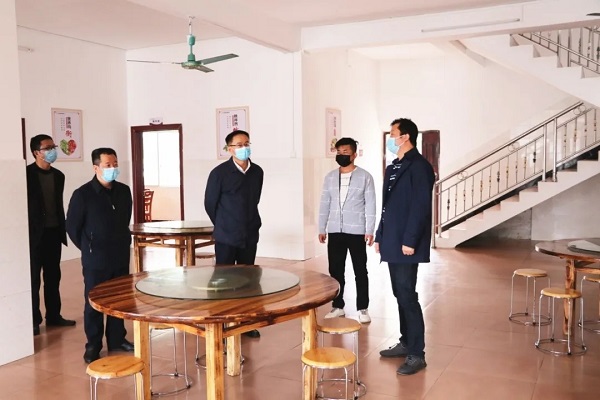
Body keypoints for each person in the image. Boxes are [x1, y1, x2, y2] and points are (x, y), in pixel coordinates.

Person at [375, 118, 434, 376]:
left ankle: (417, 354)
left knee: (408, 295)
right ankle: (406, 341)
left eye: (393, 134)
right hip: (392, 240)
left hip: (406, 243)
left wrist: (410, 240)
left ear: (406, 136)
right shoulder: (394, 166)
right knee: (399, 293)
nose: (391, 138)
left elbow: (420, 207)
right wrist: (380, 235)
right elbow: (386, 206)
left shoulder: (420, 167)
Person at [66, 148, 134, 363]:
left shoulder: (124, 191)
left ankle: (117, 339)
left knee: (118, 300)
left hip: (120, 255)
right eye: (108, 165)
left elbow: (125, 218)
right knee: (94, 302)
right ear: (96, 168)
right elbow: (73, 227)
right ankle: (93, 344)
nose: (113, 168)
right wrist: (89, 247)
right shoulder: (83, 194)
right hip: (95, 259)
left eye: (115, 164)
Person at [204, 130, 264, 338]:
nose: (244, 148)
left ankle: (245, 322)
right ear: (229, 149)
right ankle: (222, 321)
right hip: (226, 235)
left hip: (250, 233)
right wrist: (224, 223)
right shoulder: (219, 173)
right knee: (224, 280)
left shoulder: (257, 172)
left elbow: (255, 199)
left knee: (248, 279)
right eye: (239, 145)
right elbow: (210, 204)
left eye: (246, 143)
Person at [318, 137, 376, 324]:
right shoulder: (330, 177)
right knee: (335, 270)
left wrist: (369, 230)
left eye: (345, 152)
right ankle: (338, 306)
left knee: (360, 270)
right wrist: (322, 227)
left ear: (354, 154)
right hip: (335, 230)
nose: (341, 155)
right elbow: (324, 203)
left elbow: (371, 205)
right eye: (339, 152)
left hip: (357, 231)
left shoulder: (365, 177)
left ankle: (363, 308)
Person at [26, 134, 76, 336]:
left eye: (53, 147)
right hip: (34, 235)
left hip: (54, 233)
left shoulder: (58, 176)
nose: (52, 151)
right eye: (47, 148)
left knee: (53, 276)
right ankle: (33, 320)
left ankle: (54, 315)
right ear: (36, 152)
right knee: (33, 280)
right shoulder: (26, 174)